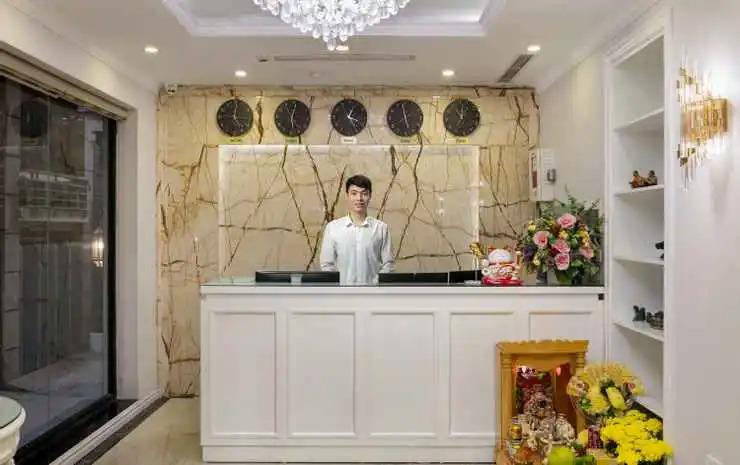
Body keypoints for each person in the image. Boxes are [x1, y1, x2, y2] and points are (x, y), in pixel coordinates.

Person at [320, 174, 394, 285]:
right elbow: (327, 265)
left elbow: (389, 264)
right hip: (342, 293)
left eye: (364, 193)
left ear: (370, 196)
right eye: (354, 193)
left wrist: (376, 286)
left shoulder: (381, 228)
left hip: (373, 292)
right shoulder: (333, 228)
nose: (359, 198)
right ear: (347, 196)